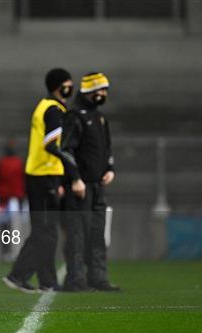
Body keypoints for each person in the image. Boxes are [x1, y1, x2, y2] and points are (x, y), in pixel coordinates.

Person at [3, 68, 80, 293]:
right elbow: (52, 145)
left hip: (42, 175)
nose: (71, 86)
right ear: (59, 86)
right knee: (46, 230)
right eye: (68, 83)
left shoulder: (45, 106)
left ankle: (35, 279)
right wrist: (72, 172)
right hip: (43, 175)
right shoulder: (53, 109)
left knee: (44, 230)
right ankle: (30, 277)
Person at [61, 72, 120, 292]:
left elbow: (108, 149)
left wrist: (110, 169)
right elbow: (65, 151)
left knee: (97, 234)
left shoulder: (100, 117)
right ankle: (75, 280)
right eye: (99, 90)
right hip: (80, 188)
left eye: (105, 90)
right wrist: (75, 179)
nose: (103, 94)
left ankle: (98, 278)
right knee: (77, 235)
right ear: (88, 91)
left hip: (98, 187)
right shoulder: (74, 115)